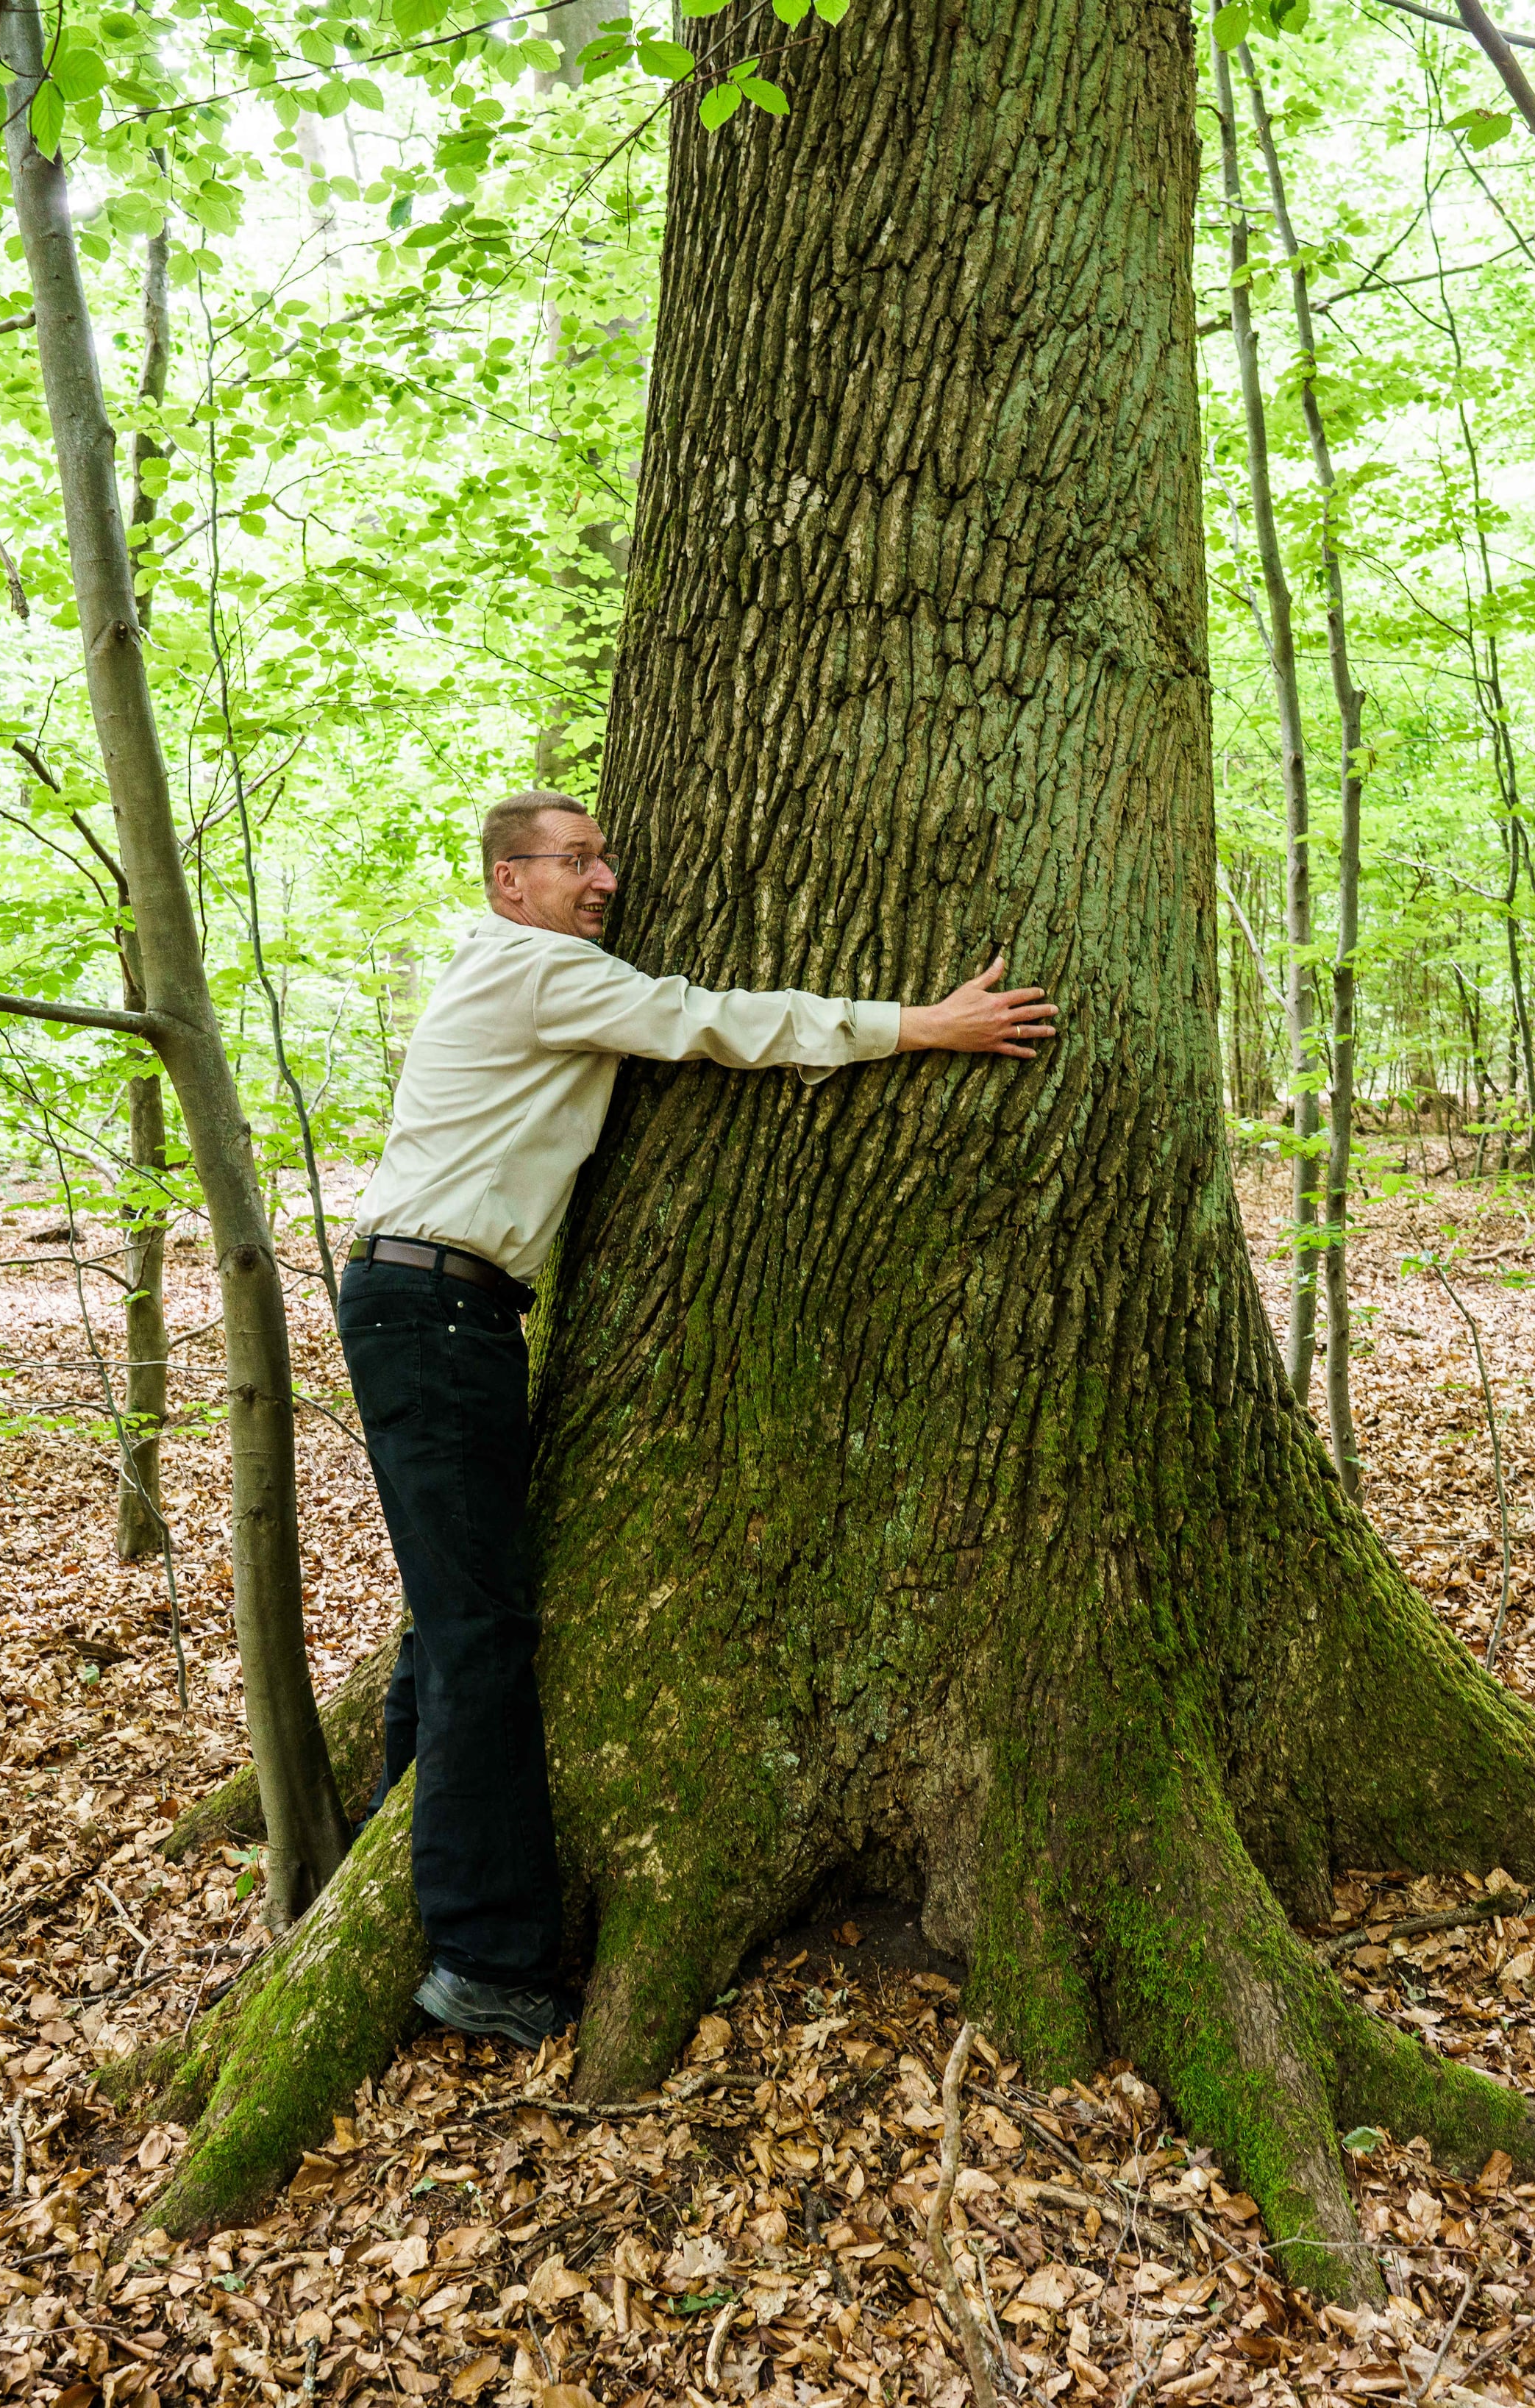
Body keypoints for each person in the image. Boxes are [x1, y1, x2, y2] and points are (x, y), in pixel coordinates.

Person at [343, 789, 1056, 2047]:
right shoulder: (536, 971)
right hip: (434, 1316)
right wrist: (921, 1025)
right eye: (574, 861)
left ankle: (400, 1859)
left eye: (604, 854)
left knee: (454, 1616)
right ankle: (481, 1955)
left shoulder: (522, 965)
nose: (603, 878)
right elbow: (712, 1022)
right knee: (479, 1633)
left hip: (443, 1310)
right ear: (511, 883)